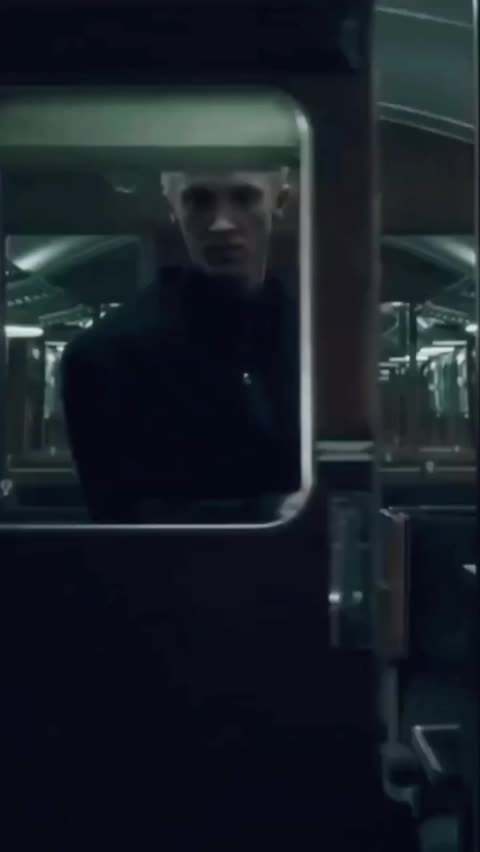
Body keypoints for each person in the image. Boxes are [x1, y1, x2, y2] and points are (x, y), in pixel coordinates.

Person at [61, 168, 301, 523]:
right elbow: (118, 514)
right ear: (173, 208)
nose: (221, 223)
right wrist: (272, 512)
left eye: (244, 198)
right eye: (199, 200)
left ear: (279, 202)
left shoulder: (319, 344)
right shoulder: (105, 356)